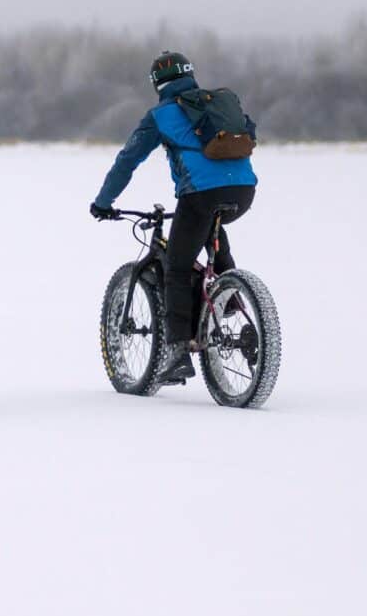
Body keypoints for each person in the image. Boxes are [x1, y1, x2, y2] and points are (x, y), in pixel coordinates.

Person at [89, 51, 257, 385]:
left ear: (156, 84)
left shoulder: (161, 115)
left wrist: (104, 202)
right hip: (244, 191)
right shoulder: (217, 103)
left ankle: (178, 352)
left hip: (199, 195)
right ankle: (232, 299)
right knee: (212, 238)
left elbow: (128, 161)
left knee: (177, 267)